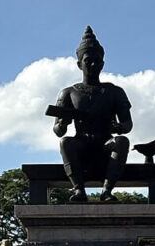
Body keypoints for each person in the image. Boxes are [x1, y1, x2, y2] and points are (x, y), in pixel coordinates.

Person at [50, 26, 133, 202]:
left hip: (105, 143)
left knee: (121, 142)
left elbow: (127, 124)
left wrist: (119, 127)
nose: (93, 65)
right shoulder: (68, 93)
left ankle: (107, 190)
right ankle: (78, 189)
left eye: (97, 61)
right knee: (65, 142)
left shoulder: (114, 92)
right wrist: (62, 123)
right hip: (82, 143)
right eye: (88, 61)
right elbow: (58, 131)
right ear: (80, 64)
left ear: (102, 64)